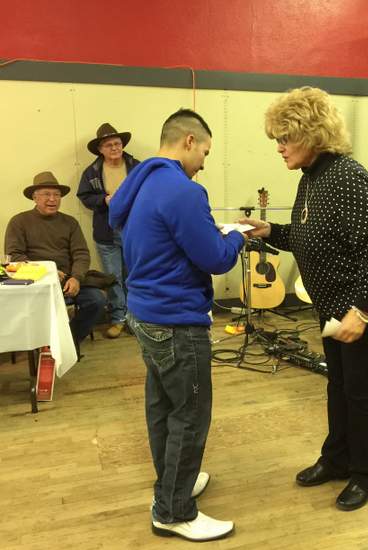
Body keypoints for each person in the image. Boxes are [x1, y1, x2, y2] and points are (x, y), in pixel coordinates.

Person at [241, 87, 368, 511]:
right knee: (339, 383)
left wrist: (362, 311)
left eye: (285, 137)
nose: (279, 147)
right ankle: (337, 459)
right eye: (277, 139)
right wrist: (272, 232)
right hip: (339, 302)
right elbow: (311, 237)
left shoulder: (345, 176)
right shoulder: (311, 177)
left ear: (312, 134)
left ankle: (367, 474)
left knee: (363, 391)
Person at [109, 109, 245, 542]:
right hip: (176, 320)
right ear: (189, 141)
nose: (203, 162)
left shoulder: (140, 182)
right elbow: (217, 259)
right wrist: (237, 235)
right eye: (205, 151)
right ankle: (174, 511)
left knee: (163, 406)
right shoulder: (183, 190)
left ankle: (172, 485)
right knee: (190, 414)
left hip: (145, 313)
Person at [5, 171, 106, 344]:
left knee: (97, 300)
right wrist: (48, 271)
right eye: (46, 194)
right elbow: (14, 255)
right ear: (35, 197)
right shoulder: (19, 221)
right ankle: (43, 342)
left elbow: (81, 253)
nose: (52, 199)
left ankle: (69, 341)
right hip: (35, 283)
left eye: (57, 195)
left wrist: (76, 278)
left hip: (66, 281)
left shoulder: (70, 222)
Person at [77, 123, 140, 339]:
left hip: (134, 230)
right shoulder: (92, 172)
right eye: (109, 145)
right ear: (100, 149)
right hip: (106, 232)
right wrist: (103, 200)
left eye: (117, 143)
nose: (114, 148)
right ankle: (118, 319)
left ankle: (135, 319)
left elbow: (151, 190)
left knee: (135, 276)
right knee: (113, 278)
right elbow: (84, 196)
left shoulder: (136, 166)